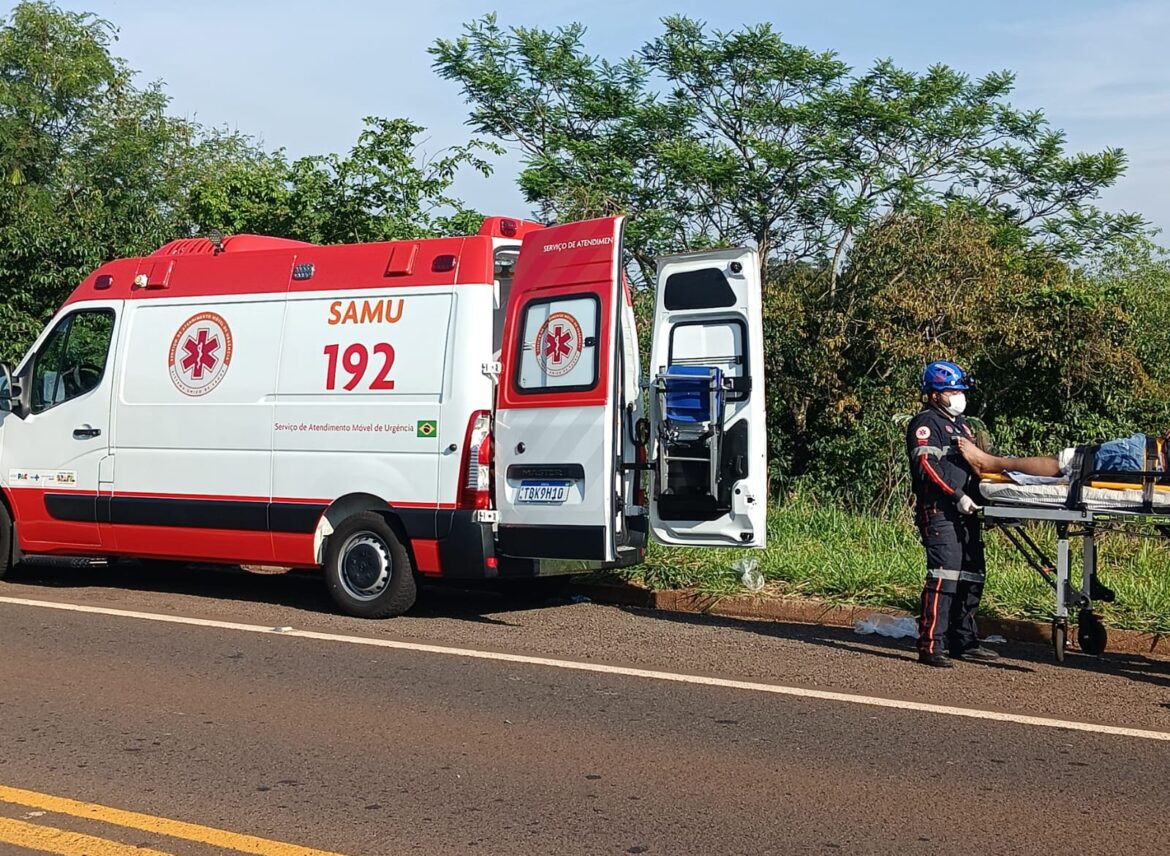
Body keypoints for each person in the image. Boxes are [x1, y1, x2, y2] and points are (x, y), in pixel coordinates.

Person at [906, 360, 1000, 668]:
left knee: (973, 574)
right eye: (951, 391)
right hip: (940, 511)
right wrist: (956, 495)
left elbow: (976, 466)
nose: (958, 396)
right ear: (934, 395)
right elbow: (927, 468)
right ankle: (931, 644)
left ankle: (965, 640)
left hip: (967, 511)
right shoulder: (926, 424)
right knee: (944, 577)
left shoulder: (963, 426)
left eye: (959, 390)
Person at [957, 433, 1166, 480]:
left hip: (1145, 458)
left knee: (1068, 463)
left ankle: (993, 462)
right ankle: (999, 462)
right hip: (1149, 458)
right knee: (1070, 466)